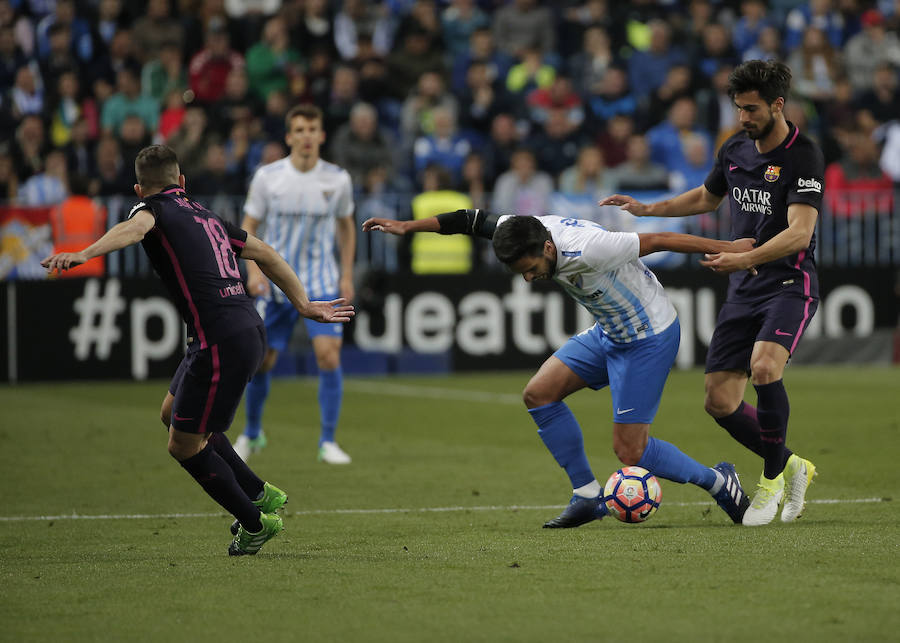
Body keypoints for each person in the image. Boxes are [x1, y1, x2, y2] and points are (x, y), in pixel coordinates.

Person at [41, 145, 354, 555]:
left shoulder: (150, 211)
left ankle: (255, 522)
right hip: (237, 329)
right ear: (182, 181)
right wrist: (303, 303)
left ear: (139, 189)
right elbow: (266, 252)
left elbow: (133, 229)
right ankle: (259, 493)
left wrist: (83, 253)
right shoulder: (207, 215)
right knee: (172, 414)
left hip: (221, 340)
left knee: (183, 444)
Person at [363, 210, 752, 528]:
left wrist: (729, 249)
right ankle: (586, 495)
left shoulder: (591, 249)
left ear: (548, 246)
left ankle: (719, 482)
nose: (530, 279)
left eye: (531, 269)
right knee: (538, 394)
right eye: (521, 273)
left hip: (648, 335)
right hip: (609, 332)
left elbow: (660, 240)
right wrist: (409, 226)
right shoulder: (520, 229)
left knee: (630, 450)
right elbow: (470, 219)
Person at [599, 60, 823, 526]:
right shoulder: (735, 148)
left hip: (788, 282)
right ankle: (793, 463)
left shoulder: (805, 155)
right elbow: (706, 197)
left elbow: (800, 233)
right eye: (738, 108)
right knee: (719, 402)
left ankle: (770, 482)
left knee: (764, 368)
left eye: (751, 108)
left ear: (778, 105)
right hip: (744, 288)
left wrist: (745, 258)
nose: (743, 117)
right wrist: (648, 209)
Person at [235, 104, 356, 465]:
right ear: (289, 136)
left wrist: (346, 274)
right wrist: (254, 272)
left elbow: (347, 228)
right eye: (299, 130)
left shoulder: (337, 179)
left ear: (321, 135)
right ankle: (252, 433)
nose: (306, 136)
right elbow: (248, 227)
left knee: (328, 355)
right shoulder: (268, 177)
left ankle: (328, 441)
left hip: (320, 280)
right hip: (275, 283)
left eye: (312, 129)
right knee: (262, 362)